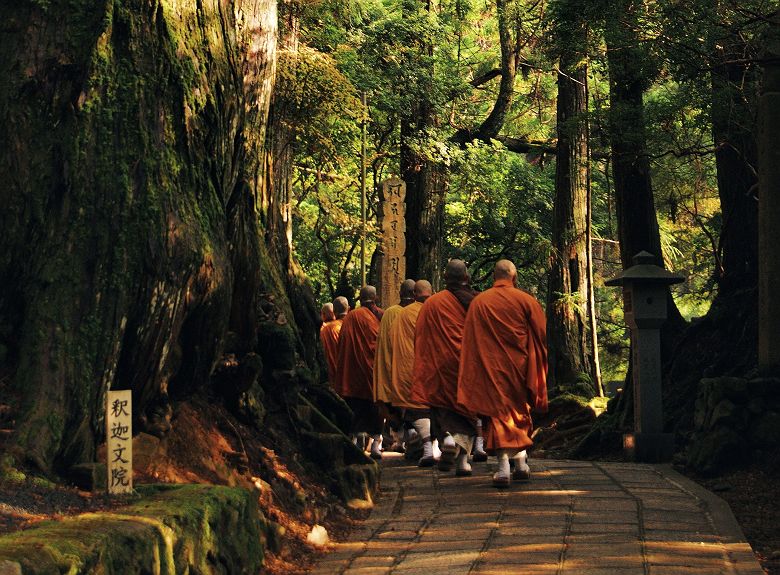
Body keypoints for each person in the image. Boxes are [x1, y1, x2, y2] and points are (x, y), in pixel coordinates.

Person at [457, 259, 548, 487]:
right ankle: (519, 465)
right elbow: (541, 335)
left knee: (499, 416)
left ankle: (506, 468)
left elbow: (470, 341)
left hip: (491, 368)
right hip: (520, 368)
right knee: (518, 413)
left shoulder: (480, 302)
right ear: (514, 277)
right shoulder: (527, 300)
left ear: (493, 277)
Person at [410, 260, 479, 476]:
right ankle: (463, 462)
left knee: (443, 409)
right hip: (469, 365)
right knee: (468, 412)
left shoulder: (432, 303)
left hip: (441, 366)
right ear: (466, 278)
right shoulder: (478, 301)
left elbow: (420, 338)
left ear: (445, 278)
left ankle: (447, 439)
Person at [334, 286, 384, 459]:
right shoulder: (380, 315)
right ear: (375, 298)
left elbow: (342, 344)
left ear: (360, 299)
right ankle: (376, 443)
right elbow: (381, 342)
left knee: (356, 406)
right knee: (374, 406)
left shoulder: (350, 318)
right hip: (372, 370)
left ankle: (359, 438)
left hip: (352, 371)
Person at [389, 279, 435, 466]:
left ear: (414, 295)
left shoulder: (402, 314)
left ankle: (427, 448)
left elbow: (393, 343)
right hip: (434, 369)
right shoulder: (439, 309)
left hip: (409, 369)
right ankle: (436, 447)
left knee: (415, 410)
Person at [373, 279, 416, 452]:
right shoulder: (414, 312)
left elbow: (383, 344)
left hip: (391, 365)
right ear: (415, 295)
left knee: (396, 404)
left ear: (399, 293)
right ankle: (408, 439)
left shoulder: (390, 312)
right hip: (409, 366)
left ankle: (399, 439)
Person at [319, 302, 342, 386]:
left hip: (328, 374)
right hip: (344, 373)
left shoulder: (321, 329)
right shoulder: (342, 326)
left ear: (323, 314)